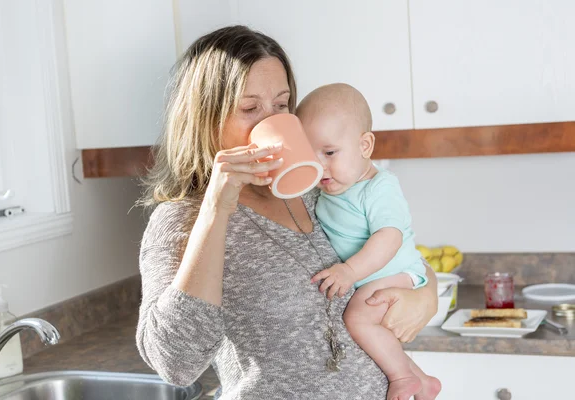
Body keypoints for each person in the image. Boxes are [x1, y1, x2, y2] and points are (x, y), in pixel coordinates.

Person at [136, 25, 438, 400]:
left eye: (281, 106)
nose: (270, 122)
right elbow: (175, 364)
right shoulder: (183, 220)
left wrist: (428, 294)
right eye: (250, 108)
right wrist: (217, 208)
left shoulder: (321, 186)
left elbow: (397, 249)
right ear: (207, 118)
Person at [297, 83, 442, 400]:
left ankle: (402, 377)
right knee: (372, 326)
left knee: (357, 319)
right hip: (377, 277)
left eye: (330, 153)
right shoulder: (324, 191)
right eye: (311, 157)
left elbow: (390, 237)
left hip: (394, 272)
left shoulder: (379, 187)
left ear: (365, 145)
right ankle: (425, 381)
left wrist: (349, 271)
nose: (320, 165)